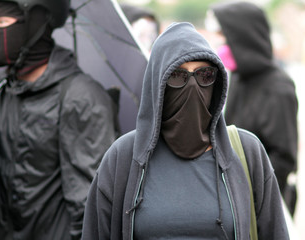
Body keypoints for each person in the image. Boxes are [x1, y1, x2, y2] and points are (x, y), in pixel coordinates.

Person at [81, 22, 289, 240]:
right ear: (158, 84)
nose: (192, 87)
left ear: (216, 83)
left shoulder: (246, 152)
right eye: (177, 76)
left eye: (205, 75)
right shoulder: (124, 157)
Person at [0, 1, 119, 239]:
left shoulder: (81, 97)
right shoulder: (4, 90)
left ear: (35, 23)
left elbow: (90, 204)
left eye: (1, 22)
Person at [208, 1, 299, 216]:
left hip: (262, 206)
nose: (221, 43)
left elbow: (284, 158)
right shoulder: (237, 78)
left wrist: (246, 190)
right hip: (231, 200)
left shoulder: (278, 87)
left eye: (224, 35)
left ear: (242, 37)